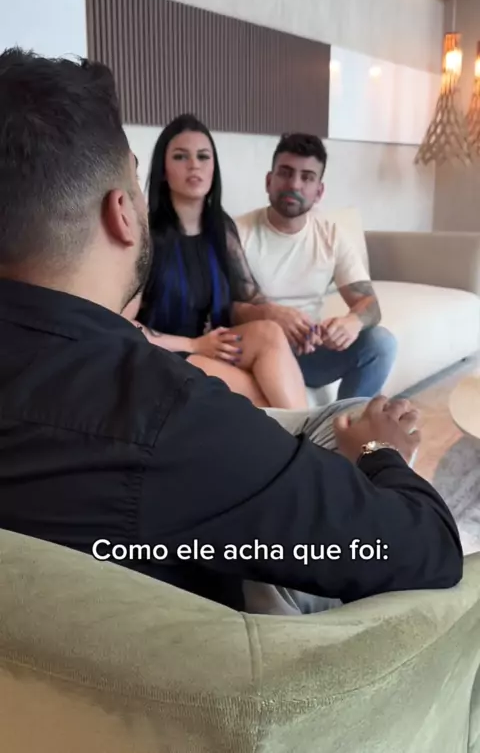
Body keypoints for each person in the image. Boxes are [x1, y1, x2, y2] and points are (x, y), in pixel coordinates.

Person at [0, 47, 462, 618]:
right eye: (141, 175)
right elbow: (428, 548)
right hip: (219, 651)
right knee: (355, 428)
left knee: (332, 383)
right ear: (122, 212)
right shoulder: (169, 415)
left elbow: (248, 301)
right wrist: (378, 452)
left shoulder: (222, 242)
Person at [133, 114, 308, 410]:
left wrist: (284, 317)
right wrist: (192, 345)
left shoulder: (220, 228)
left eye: (203, 156)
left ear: (214, 167)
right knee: (263, 396)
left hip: (211, 345)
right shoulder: (146, 235)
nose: (194, 165)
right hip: (165, 355)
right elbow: (123, 324)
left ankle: (309, 431)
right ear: (163, 170)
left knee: (270, 333)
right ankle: (310, 433)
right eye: (180, 156)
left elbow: (248, 296)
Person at [235, 133, 398, 399]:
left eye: (307, 177)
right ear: (268, 181)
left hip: (309, 351)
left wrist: (352, 322)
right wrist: (268, 314)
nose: (294, 184)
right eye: (285, 173)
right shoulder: (237, 233)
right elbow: (222, 309)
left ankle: (344, 422)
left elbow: (370, 304)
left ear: (319, 191)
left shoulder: (331, 235)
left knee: (381, 344)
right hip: (254, 348)